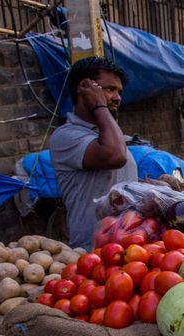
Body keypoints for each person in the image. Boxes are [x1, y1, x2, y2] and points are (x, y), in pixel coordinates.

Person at [50, 57, 137, 250]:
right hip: (94, 251)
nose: (117, 97)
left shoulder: (105, 134)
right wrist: (99, 105)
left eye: (119, 91)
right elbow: (115, 156)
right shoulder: (66, 136)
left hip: (127, 245)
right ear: (84, 87)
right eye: (109, 89)